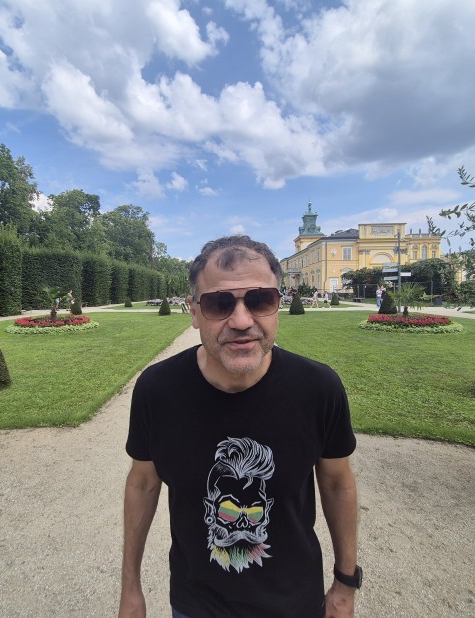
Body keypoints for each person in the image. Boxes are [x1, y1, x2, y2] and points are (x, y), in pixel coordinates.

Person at [120, 235, 360, 618]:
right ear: (194, 312)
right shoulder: (158, 390)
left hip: (295, 603)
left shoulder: (318, 389)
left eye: (260, 300)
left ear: (278, 305)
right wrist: (130, 588)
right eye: (219, 303)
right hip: (196, 605)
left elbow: (337, 484)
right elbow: (143, 483)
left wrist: (346, 584)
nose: (242, 321)